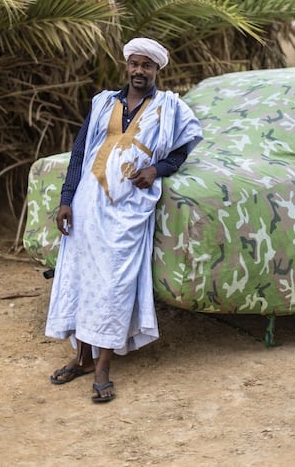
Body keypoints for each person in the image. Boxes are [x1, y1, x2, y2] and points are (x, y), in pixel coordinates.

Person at [45, 37, 203, 403]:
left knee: (114, 284)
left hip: (128, 209)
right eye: (134, 63)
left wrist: (156, 169)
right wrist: (66, 200)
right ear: (126, 66)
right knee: (82, 277)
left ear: (157, 70)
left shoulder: (170, 107)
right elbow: (80, 151)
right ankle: (82, 358)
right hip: (87, 204)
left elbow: (183, 149)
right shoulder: (103, 102)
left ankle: (103, 368)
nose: (139, 71)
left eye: (147, 65)